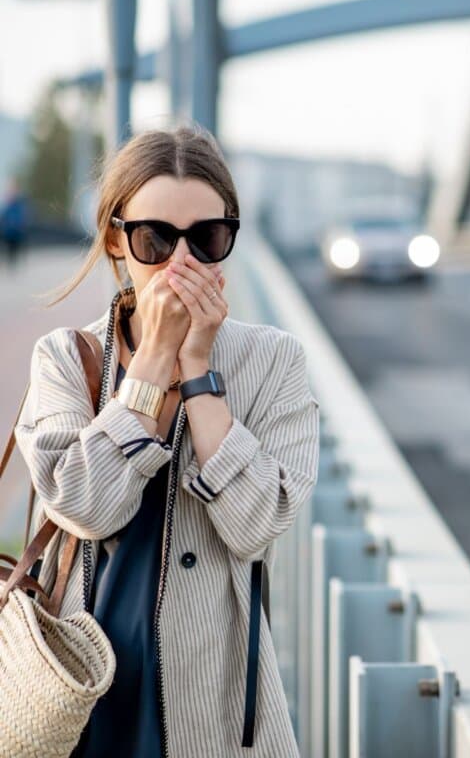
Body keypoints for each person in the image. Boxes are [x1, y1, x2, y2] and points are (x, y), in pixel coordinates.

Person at [13, 124, 320, 757]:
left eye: (206, 239)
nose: (182, 265)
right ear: (115, 241)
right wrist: (151, 363)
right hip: (77, 681)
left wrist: (201, 376)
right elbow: (84, 508)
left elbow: (258, 524)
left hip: (215, 698)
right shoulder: (66, 360)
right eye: (155, 240)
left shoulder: (274, 362)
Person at [1, 178, 29, 269]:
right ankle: (9, 263)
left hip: (17, 231)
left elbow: (23, 215)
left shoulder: (20, 203)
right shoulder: (7, 202)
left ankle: (13, 264)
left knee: (15, 248)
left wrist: (21, 224)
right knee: (9, 247)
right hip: (8, 231)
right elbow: (4, 215)